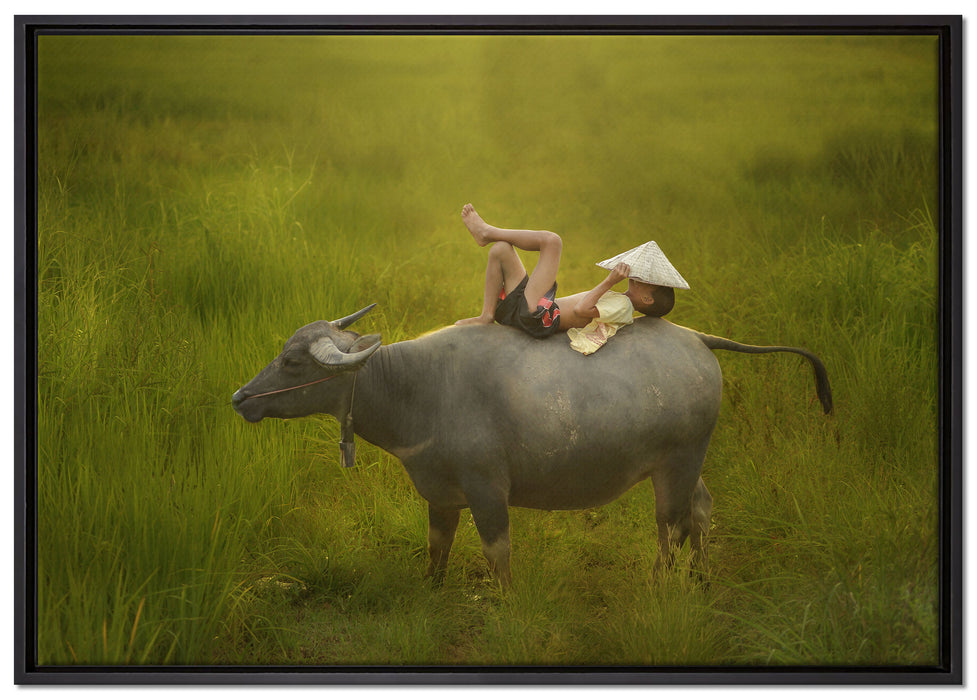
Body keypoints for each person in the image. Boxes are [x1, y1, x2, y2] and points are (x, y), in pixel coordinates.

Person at [455, 204, 684, 354]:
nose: (642, 277)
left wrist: (610, 281)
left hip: (541, 318)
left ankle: (487, 232)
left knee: (552, 241)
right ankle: (487, 315)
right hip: (534, 309)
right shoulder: (620, 302)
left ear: (647, 299)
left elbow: (583, 309)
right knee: (501, 250)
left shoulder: (624, 307)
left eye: (649, 282)